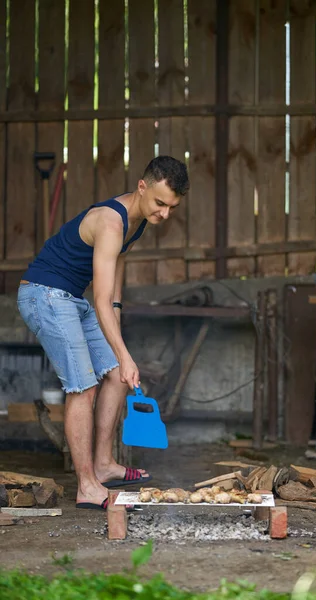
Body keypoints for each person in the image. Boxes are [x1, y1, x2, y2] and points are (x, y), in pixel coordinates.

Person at [17, 155, 190, 510]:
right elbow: (99, 296)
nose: (165, 214)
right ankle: (87, 486)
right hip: (44, 294)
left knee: (115, 375)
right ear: (142, 187)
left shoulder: (136, 222)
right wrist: (127, 355)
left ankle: (104, 464)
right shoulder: (111, 222)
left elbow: (112, 292)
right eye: (160, 203)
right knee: (83, 385)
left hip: (71, 298)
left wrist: (119, 346)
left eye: (172, 207)